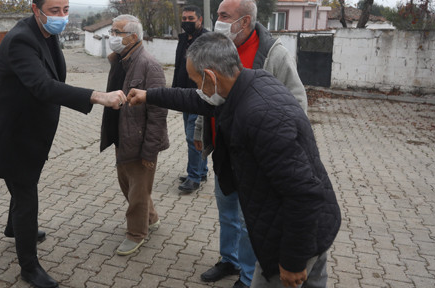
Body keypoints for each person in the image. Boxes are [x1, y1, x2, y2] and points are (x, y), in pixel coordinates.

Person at [127, 32, 341, 288]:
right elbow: (193, 99)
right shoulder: (248, 84)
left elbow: (304, 194)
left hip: (294, 237)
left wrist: (293, 261)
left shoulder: (261, 115)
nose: (198, 88)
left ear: (211, 77)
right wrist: (149, 95)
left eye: (197, 81)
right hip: (301, 228)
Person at [0, 0, 126, 288]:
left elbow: (53, 78)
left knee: (20, 185)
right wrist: (98, 96)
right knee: (26, 193)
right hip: (13, 134)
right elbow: (42, 85)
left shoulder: (47, 34)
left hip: (30, 129)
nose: (62, 16)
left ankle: (14, 228)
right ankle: (29, 267)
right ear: (36, 9)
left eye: (66, 9)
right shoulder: (21, 40)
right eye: (54, 10)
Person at [196, 0, 308, 287]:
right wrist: (200, 131)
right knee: (227, 213)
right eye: (218, 14)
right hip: (224, 151)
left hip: (255, 158)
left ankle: (247, 277)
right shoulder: (219, 47)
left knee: (250, 222)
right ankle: (229, 260)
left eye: (224, 15)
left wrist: (284, 145)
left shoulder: (274, 54)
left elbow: (297, 102)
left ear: (244, 21)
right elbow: (205, 93)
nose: (217, 21)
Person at [100, 14, 169, 256]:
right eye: (112, 31)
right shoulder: (120, 60)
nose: (112, 36)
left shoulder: (149, 65)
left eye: (116, 32)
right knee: (129, 185)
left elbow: (158, 112)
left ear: (132, 37)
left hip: (140, 140)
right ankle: (151, 218)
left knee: (137, 191)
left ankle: (136, 233)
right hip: (122, 136)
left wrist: (150, 151)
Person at [172, 5, 209, 194]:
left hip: (199, 95)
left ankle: (193, 177)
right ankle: (201, 172)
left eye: (190, 19)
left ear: (200, 20)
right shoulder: (183, 39)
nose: (186, 22)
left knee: (193, 137)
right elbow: (179, 66)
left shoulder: (206, 40)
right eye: (184, 18)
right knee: (196, 135)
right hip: (184, 95)